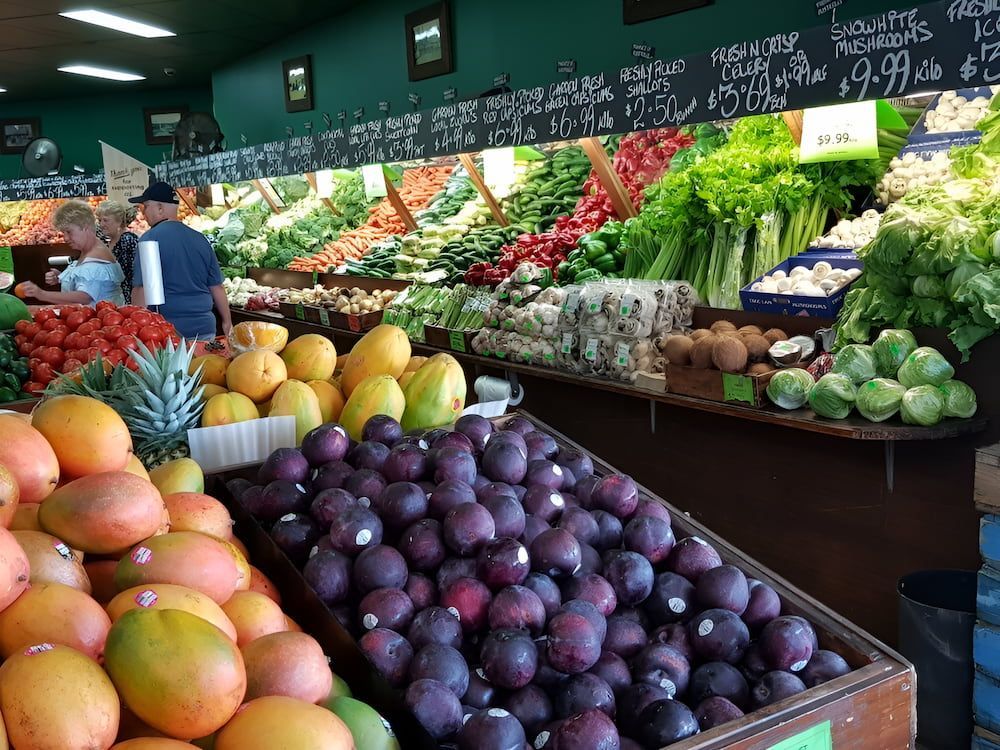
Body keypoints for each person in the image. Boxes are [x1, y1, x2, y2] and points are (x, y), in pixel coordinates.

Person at [128, 181, 232, 339]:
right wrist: (227, 322)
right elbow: (216, 286)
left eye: (146, 206)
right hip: (205, 329)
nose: (143, 213)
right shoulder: (201, 239)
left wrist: (133, 328)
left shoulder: (149, 240)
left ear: (160, 208)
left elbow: (142, 289)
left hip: (167, 332)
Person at [17, 200, 124, 307]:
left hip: (100, 320)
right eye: (63, 233)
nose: (65, 238)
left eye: (69, 232)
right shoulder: (91, 249)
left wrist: (41, 294)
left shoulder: (95, 259)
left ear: (85, 227)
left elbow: (84, 297)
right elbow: (89, 282)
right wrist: (61, 278)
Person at [96, 199, 139, 304]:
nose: (101, 225)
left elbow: (131, 275)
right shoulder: (106, 242)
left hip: (126, 301)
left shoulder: (128, 240)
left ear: (119, 221)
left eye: (105, 220)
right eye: (99, 220)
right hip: (111, 301)